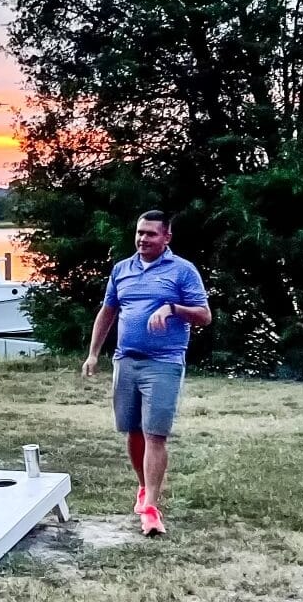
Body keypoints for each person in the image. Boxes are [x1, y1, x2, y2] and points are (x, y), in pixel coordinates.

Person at [80, 210, 212, 537]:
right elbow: (108, 311)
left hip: (164, 363)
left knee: (156, 434)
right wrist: (94, 353)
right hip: (126, 361)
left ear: (167, 237)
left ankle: (151, 508)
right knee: (133, 432)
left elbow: (204, 316)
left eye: (151, 234)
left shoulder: (182, 271)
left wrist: (173, 309)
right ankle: (143, 487)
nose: (143, 239)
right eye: (139, 233)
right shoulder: (122, 270)